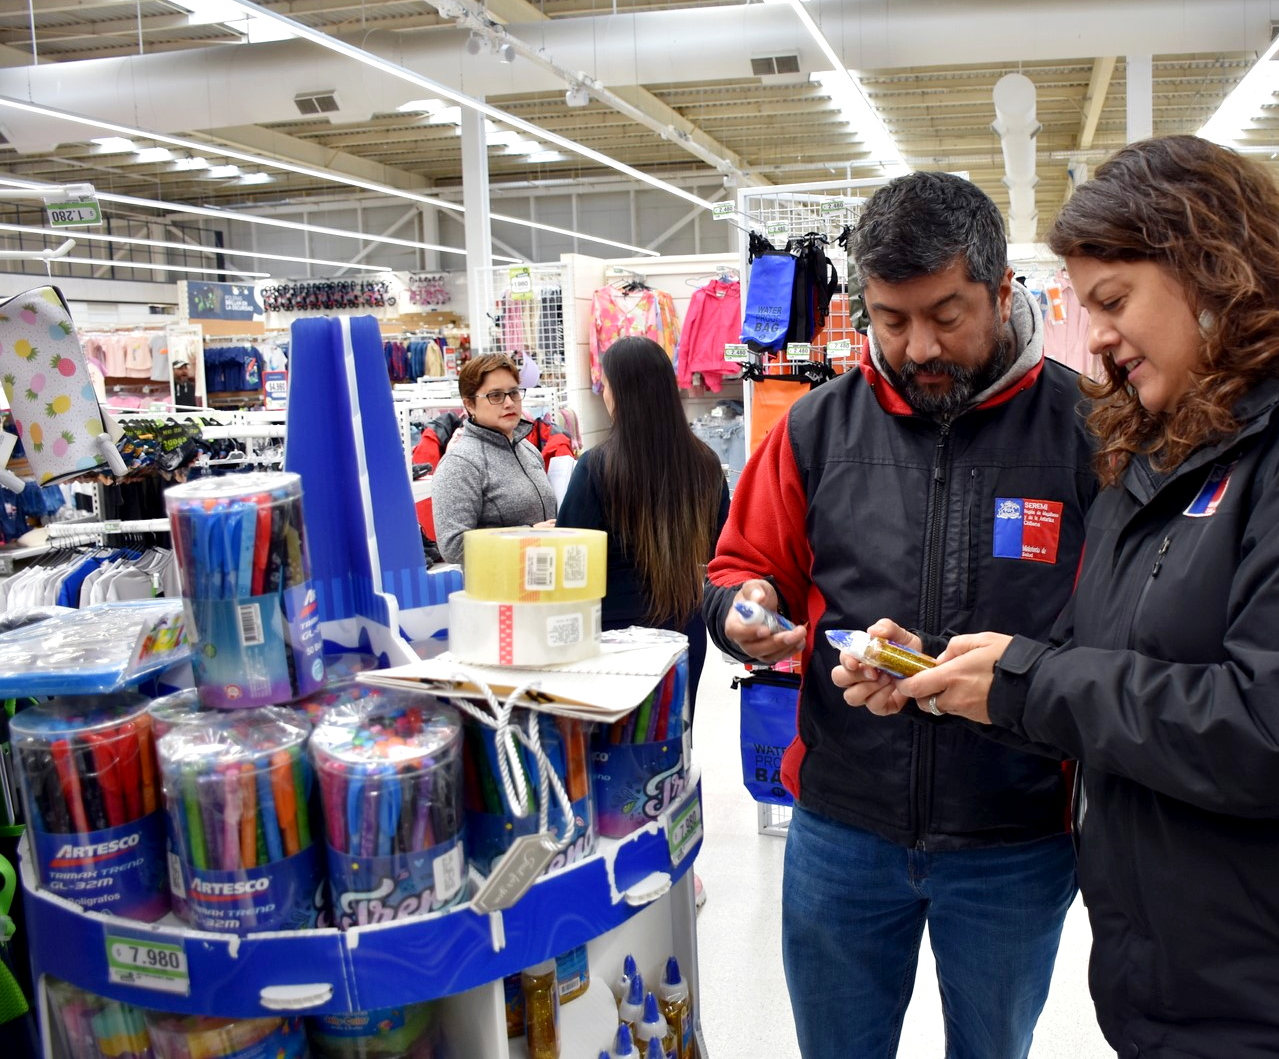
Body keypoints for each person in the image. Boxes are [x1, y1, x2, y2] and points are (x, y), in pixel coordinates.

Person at [881, 135, 1279, 1056]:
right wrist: (958, 672)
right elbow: (1119, 658)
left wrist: (1028, 683)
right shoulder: (1172, 444)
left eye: (1114, 301)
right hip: (1189, 972)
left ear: (1213, 266)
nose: (1098, 339)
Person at [704, 171, 1098, 1058]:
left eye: (946, 315)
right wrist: (745, 609)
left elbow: (1127, 630)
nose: (919, 345)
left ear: (1003, 292)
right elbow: (738, 568)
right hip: (842, 827)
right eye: (891, 319)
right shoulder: (814, 430)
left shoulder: (1087, 434)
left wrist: (1012, 675)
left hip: (1014, 835)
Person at [556, 336, 729, 708]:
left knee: (618, 750)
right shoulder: (706, 465)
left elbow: (571, 563)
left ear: (620, 393)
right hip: (685, 629)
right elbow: (721, 550)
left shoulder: (597, 466)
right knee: (675, 743)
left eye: (605, 385)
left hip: (613, 637)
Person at [430, 352, 559, 564]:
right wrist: (527, 535)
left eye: (514, 392)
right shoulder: (460, 463)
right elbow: (453, 546)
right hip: (497, 588)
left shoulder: (528, 450)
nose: (509, 403)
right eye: (496, 396)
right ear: (470, 404)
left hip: (538, 580)